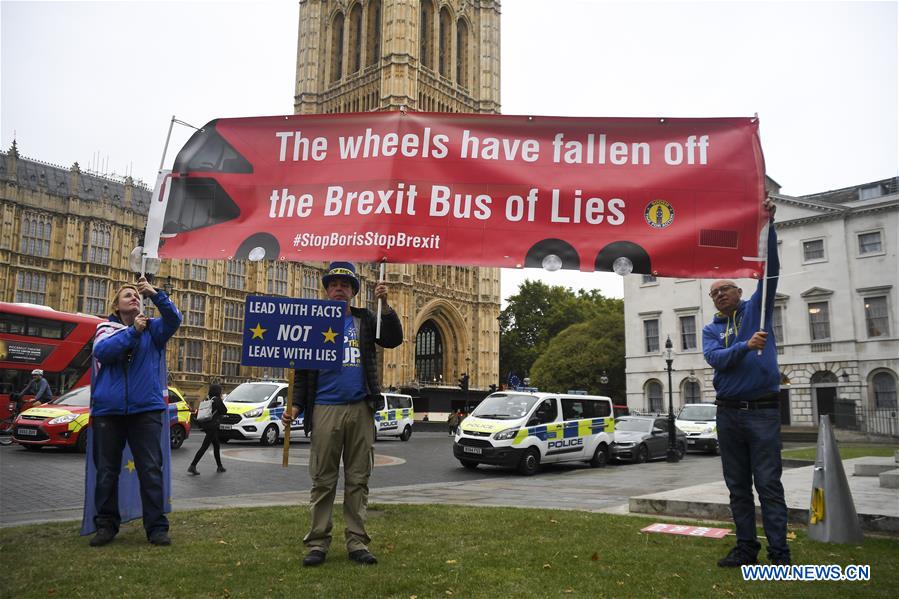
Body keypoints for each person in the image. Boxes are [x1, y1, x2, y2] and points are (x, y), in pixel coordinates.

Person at [282, 262, 402, 567]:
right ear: (326, 290)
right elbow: (303, 370)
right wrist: (295, 406)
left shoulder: (364, 320)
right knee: (323, 479)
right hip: (324, 407)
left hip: (360, 407)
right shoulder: (312, 323)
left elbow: (392, 338)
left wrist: (386, 303)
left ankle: (356, 541)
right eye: (334, 284)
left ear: (353, 292)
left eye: (345, 285)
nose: (339, 289)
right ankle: (318, 542)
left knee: (358, 478)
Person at [702, 198, 790, 567]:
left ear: (739, 292)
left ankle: (779, 555)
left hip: (763, 412)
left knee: (768, 485)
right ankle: (745, 549)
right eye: (714, 292)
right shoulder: (710, 329)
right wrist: (744, 346)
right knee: (738, 488)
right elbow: (715, 359)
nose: (720, 294)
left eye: (725, 289)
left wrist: (768, 225)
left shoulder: (757, 309)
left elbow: (770, 271)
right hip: (728, 414)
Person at [89, 276, 182, 547]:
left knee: (150, 470)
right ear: (116, 306)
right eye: (127, 295)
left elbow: (175, 318)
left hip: (146, 410)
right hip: (110, 410)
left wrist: (155, 294)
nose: (134, 297)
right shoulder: (106, 329)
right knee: (107, 471)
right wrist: (132, 333)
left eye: (136, 294)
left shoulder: (154, 329)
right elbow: (102, 352)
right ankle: (106, 525)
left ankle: (156, 528)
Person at [188, 383, 227, 475]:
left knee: (216, 445)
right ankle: (192, 466)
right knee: (204, 447)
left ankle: (219, 466)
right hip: (212, 427)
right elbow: (224, 410)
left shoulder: (207, 399)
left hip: (206, 425)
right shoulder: (217, 400)